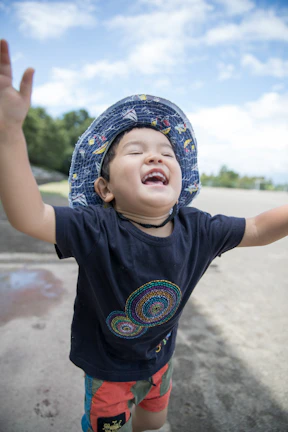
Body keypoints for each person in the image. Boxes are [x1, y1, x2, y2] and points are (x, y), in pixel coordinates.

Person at [0, 38, 287, 432]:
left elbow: (256, 227)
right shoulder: (96, 228)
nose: (156, 156)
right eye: (136, 151)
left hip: (159, 361)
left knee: (154, 422)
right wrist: (9, 134)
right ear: (105, 189)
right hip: (109, 369)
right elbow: (28, 216)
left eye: (167, 153)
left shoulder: (197, 228)